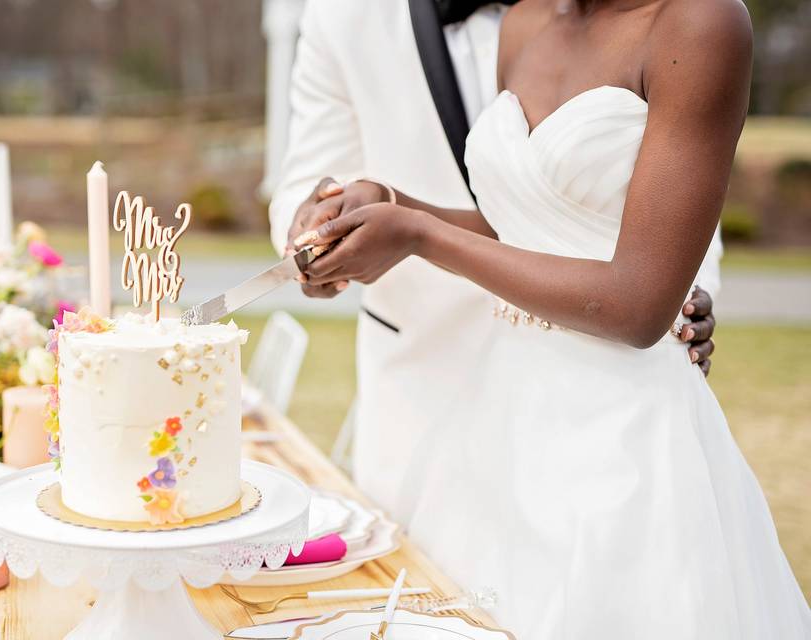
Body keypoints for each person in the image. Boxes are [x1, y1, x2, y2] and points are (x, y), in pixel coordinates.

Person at [290, 0, 811, 637]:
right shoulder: (526, 22)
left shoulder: (700, 23)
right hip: (496, 413)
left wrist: (420, 234)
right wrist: (390, 203)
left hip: (620, 431)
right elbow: (521, 230)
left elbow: (640, 303)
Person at [269, 0, 719, 523]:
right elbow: (514, 218)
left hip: (614, 402)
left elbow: (673, 212)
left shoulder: (690, 24)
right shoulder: (352, 15)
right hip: (429, 377)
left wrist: (685, 297)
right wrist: (332, 223)